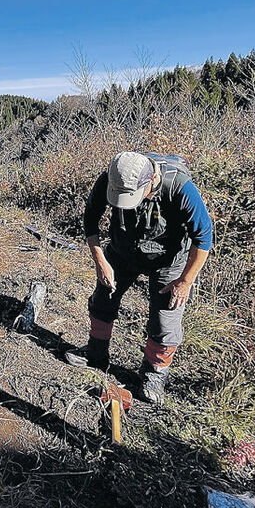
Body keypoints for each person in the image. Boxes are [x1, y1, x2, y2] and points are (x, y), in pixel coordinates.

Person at [64, 151, 213, 404]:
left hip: (168, 259)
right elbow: (90, 219)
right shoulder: (111, 178)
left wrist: (185, 281)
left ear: (152, 179)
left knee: (166, 319)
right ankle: (96, 353)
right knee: (103, 298)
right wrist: (100, 261)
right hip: (123, 250)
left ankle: (154, 373)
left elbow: (204, 236)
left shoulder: (179, 188)